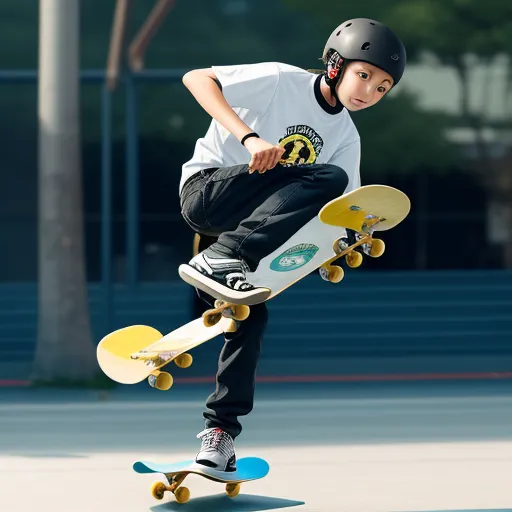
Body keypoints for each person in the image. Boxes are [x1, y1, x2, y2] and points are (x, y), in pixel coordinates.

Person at [178, 18, 406, 471]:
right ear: (337, 64)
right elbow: (196, 78)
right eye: (364, 75)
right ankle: (225, 257)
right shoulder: (284, 81)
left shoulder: (347, 137)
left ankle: (218, 436)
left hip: (235, 243)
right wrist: (249, 137)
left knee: (250, 316)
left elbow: (343, 215)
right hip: (208, 195)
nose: (368, 92)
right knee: (329, 177)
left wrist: (338, 247)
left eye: (381, 88)